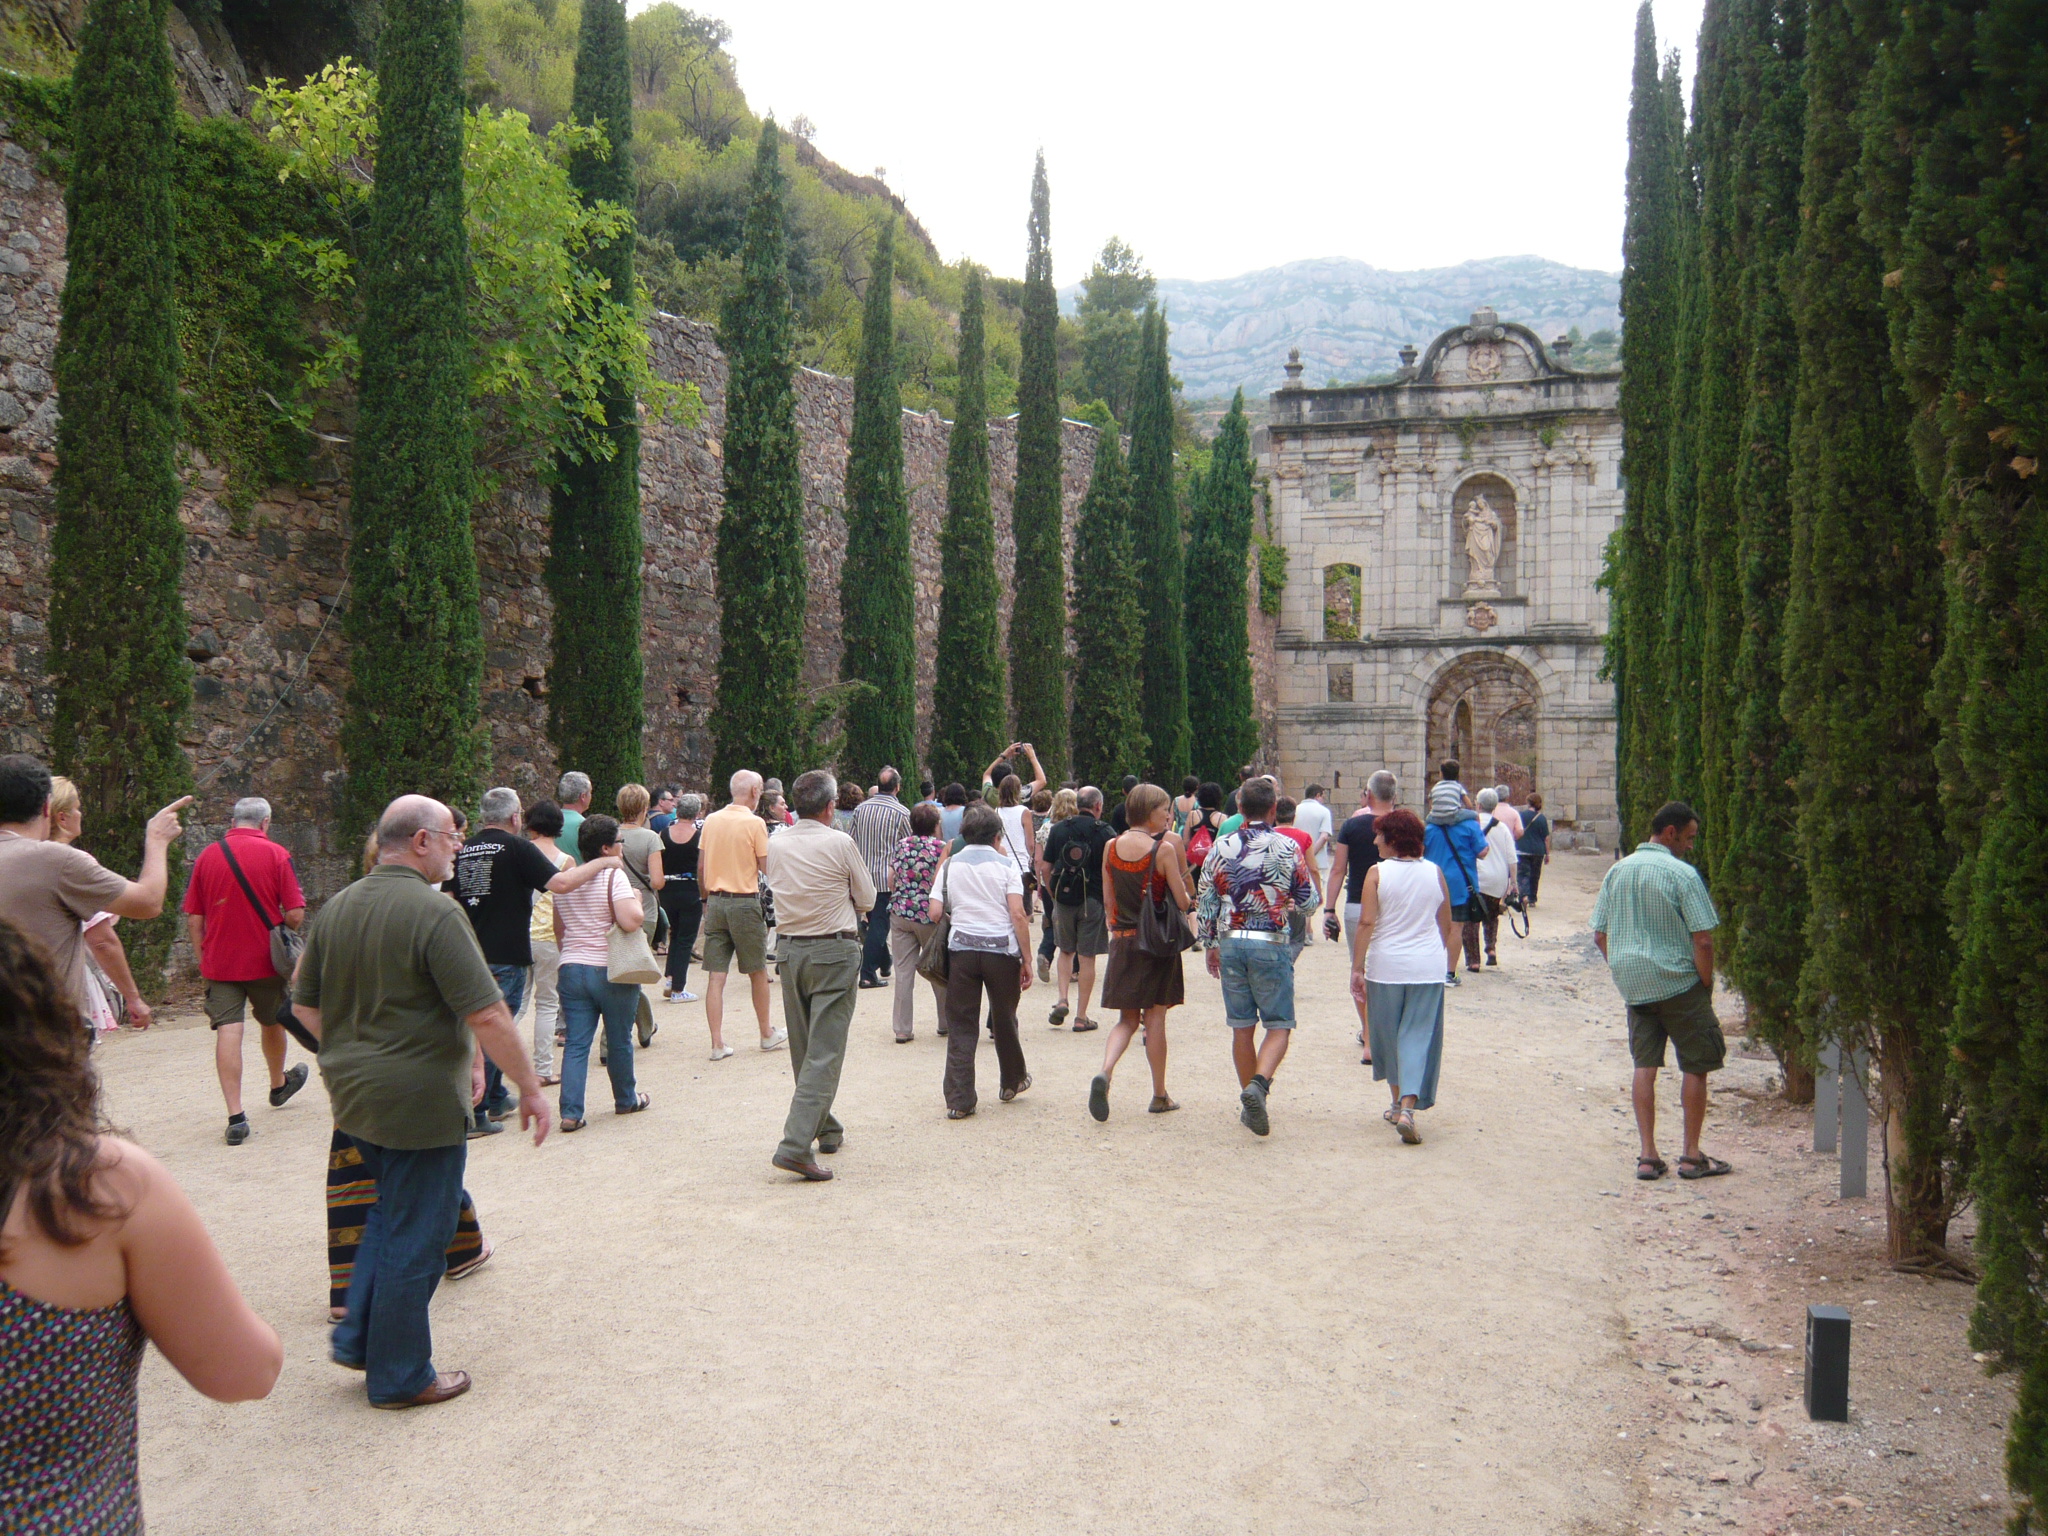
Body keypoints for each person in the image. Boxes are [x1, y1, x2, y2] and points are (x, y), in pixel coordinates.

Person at [0, 919, 281, 1528]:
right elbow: (246, 1371)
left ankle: (238, 1105)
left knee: (227, 1028)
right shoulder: (91, 1185)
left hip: (224, 974)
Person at [291, 795, 551, 1408]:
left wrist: (353, 1051)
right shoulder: (436, 914)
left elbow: (302, 1006)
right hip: (419, 1101)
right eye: (451, 839)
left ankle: (361, 1338)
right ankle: (402, 1374)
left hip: (354, 1096)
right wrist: (532, 1088)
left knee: (389, 1215)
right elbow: (487, 1011)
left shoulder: (338, 908)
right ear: (421, 842)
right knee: (421, 1233)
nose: (460, 847)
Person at [447, 787, 619, 1137]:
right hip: (506, 952)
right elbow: (561, 883)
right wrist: (605, 862)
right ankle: (478, 1111)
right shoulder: (516, 847)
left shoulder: (464, 850)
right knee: (496, 1027)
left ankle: (495, 1095)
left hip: (469, 951)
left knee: (481, 1025)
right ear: (514, 818)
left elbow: (449, 899)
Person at [0, 754, 190, 1050]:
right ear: (47, 807)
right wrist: (157, 839)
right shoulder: (57, 861)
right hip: (43, 1037)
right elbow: (148, 903)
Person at [1593, 801, 1732, 1183]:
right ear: (1669, 833)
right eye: (1688, 838)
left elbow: (1600, 934)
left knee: (1644, 1066)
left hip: (1635, 987)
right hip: (1679, 983)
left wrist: (1623, 967)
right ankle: (1690, 1155)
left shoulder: (1616, 872)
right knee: (1697, 1064)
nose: (1690, 846)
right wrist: (1704, 982)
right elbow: (1702, 940)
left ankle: (1647, 1156)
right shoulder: (1682, 875)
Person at [764, 770, 874, 1181]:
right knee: (825, 1051)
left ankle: (824, 1126)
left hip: (790, 950)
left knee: (806, 1047)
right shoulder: (840, 842)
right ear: (830, 807)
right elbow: (866, 898)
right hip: (833, 947)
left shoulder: (776, 843)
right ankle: (795, 1144)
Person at [181, 795, 309, 1142]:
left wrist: (204, 959)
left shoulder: (207, 856)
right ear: (265, 822)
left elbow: (195, 918)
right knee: (271, 1021)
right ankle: (277, 1084)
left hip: (220, 963)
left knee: (229, 1031)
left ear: (232, 822)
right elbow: (296, 913)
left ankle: (236, 1117)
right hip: (265, 960)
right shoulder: (277, 854)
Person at [1194, 778, 1315, 1137]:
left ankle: (1249, 1095)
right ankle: (1259, 1086)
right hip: (1271, 940)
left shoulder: (1222, 846)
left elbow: (1206, 899)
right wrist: (1289, 901)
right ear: (1274, 809)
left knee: (1241, 1026)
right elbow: (1308, 901)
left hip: (1231, 940)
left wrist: (1209, 942)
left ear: (1239, 808)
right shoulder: (1287, 846)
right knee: (1278, 1024)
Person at [1347, 808, 1456, 1145]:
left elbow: (1366, 922)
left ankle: (1398, 1103)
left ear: (1393, 839)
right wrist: (1444, 962)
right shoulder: (1435, 872)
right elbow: (1446, 923)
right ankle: (1407, 1106)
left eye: (1380, 835)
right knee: (1418, 1034)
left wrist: (1356, 966)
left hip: (1387, 965)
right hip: (1426, 965)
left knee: (1387, 1036)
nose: (1375, 840)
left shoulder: (1376, 873)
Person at [1089, 783, 1191, 1121]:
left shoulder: (1111, 847)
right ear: (1150, 812)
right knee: (1156, 1017)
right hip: (1156, 943)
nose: (1168, 815)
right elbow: (1181, 900)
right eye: (1164, 810)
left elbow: (1108, 900)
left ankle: (1105, 1070)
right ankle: (1159, 1093)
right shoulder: (1161, 850)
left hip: (1122, 938)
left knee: (1127, 1019)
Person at [548, 813, 652, 1132]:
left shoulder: (569, 879)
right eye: (619, 841)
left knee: (577, 1041)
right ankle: (625, 1098)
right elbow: (631, 920)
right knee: (619, 1038)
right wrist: (636, 897)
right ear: (607, 848)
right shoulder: (614, 877)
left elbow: (558, 928)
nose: (622, 847)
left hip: (572, 966)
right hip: (609, 968)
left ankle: (571, 1111)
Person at [932, 802, 1033, 1119]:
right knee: (1004, 1018)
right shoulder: (1006, 867)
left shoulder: (950, 865)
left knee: (961, 1024)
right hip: (1001, 952)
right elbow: (1018, 914)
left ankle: (960, 1099)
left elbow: (935, 911)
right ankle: (1012, 1081)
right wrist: (1027, 958)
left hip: (961, 950)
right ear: (996, 836)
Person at [44, 777, 145, 1041]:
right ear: (62, 818)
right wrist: (134, 998)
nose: (81, 814)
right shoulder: (70, 863)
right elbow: (101, 940)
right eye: (77, 808)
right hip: (63, 986)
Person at [699, 771, 784, 1059]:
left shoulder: (711, 820)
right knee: (757, 970)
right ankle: (766, 1032)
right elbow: (765, 866)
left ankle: (716, 1042)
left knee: (716, 975)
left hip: (716, 900)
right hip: (744, 900)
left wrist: (705, 899)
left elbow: (702, 864)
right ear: (756, 791)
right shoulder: (754, 823)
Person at [1325, 771, 1398, 1058]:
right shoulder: (1405, 825)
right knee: (1390, 969)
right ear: (1394, 796)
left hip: (1358, 903)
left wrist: (1329, 909)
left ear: (1367, 794)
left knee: (1360, 969)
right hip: (1395, 905)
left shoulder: (1353, 825)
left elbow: (1338, 869)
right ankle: (1387, 1032)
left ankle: (1368, 1036)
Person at [1041, 786, 1114, 1031]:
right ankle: (1082, 1016)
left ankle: (1062, 999)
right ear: (1098, 806)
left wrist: (1053, 895)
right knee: (1087, 957)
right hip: (1092, 900)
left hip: (1063, 897)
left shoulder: (1059, 829)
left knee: (1065, 950)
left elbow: (1045, 867)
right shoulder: (1105, 832)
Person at [885, 801, 949, 1043]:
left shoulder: (901, 845)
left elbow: (891, 877)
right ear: (935, 825)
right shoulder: (940, 848)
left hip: (900, 912)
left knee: (902, 972)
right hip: (928, 915)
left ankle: (902, 1028)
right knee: (937, 968)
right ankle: (944, 1022)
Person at [518, 800, 571, 1084]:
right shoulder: (565, 861)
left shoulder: (519, 853)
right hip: (548, 936)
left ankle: (492, 1060)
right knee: (547, 1003)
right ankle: (542, 1068)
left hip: (519, 933)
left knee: (516, 1003)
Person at [613, 784, 667, 1048]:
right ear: (645, 808)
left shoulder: (612, 835)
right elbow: (657, 881)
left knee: (626, 971)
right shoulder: (650, 838)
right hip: (643, 910)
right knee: (632, 973)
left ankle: (645, 1026)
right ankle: (610, 1040)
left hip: (614, 908)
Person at [849, 767, 911, 990]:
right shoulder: (902, 813)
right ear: (897, 787)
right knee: (880, 926)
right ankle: (867, 973)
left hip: (863, 875)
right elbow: (906, 846)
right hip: (887, 877)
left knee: (875, 923)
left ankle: (884, 961)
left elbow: (851, 841)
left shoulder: (860, 810)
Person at [1422, 771, 1487, 983]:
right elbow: (1482, 851)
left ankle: (1431, 969)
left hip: (1432, 881)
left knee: (1434, 925)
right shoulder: (1469, 825)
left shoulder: (1429, 828)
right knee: (1456, 927)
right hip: (1460, 883)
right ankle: (1450, 972)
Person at [659, 793, 705, 1003]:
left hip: (667, 889)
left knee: (674, 935)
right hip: (690, 889)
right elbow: (701, 867)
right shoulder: (699, 836)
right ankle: (678, 988)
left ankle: (670, 978)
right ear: (697, 813)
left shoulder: (663, 833)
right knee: (686, 939)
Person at [1034, 788, 1079, 981]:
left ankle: (1045, 952)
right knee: (1074, 923)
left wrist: (1039, 883)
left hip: (1049, 881)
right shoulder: (1076, 827)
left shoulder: (1045, 829)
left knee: (1053, 920)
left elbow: (1038, 859)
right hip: (1072, 881)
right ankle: (1075, 969)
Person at [1472, 788, 1517, 968]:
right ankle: (1490, 948)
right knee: (1492, 915)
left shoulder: (1471, 825)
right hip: (1497, 880)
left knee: (1471, 920)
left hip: (1476, 879)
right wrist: (1513, 883)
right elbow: (1512, 858)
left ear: (1479, 805)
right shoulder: (1502, 828)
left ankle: (1474, 961)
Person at [1274, 796, 1324, 954]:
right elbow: (1313, 868)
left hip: (1272, 893)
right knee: (1296, 939)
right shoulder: (1304, 837)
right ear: (1294, 816)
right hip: (1294, 894)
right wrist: (1318, 892)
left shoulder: (1267, 835)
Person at [994, 773, 1038, 923]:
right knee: (1025, 912)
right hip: (1021, 866)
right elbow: (1030, 843)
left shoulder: (996, 812)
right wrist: (1031, 857)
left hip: (1002, 865)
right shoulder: (1024, 812)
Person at [1295, 783, 1335, 889]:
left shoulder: (1295, 810)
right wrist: (1310, 855)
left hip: (1296, 861)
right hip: (1318, 862)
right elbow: (1324, 837)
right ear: (1317, 795)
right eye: (1323, 797)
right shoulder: (1324, 811)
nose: (1323, 800)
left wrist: (1301, 856)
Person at [1516, 792, 1552, 906]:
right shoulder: (1542, 818)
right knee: (1535, 875)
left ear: (1528, 802)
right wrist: (1547, 854)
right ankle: (1532, 899)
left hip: (1522, 849)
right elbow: (1546, 838)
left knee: (1523, 874)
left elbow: (1517, 831)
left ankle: (1524, 895)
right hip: (1538, 851)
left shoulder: (1521, 815)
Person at [1184, 781, 1226, 875]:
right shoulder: (1222, 818)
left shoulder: (1192, 815)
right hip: (1213, 864)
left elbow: (1186, 842)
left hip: (1194, 863)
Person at [555, 771, 593, 864]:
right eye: (590, 792)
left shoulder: (550, 821)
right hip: (578, 876)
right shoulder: (585, 826)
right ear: (583, 796)